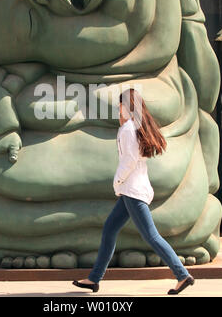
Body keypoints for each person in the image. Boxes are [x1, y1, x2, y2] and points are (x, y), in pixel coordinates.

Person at [72, 88, 195, 295]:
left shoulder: (129, 129)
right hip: (133, 189)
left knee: (151, 236)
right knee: (110, 228)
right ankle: (94, 279)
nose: (118, 108)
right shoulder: (134, 126)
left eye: (121, 104)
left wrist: (117, 181)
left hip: (132, 191)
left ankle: (182, 275)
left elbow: (129, 160)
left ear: (127, 107)